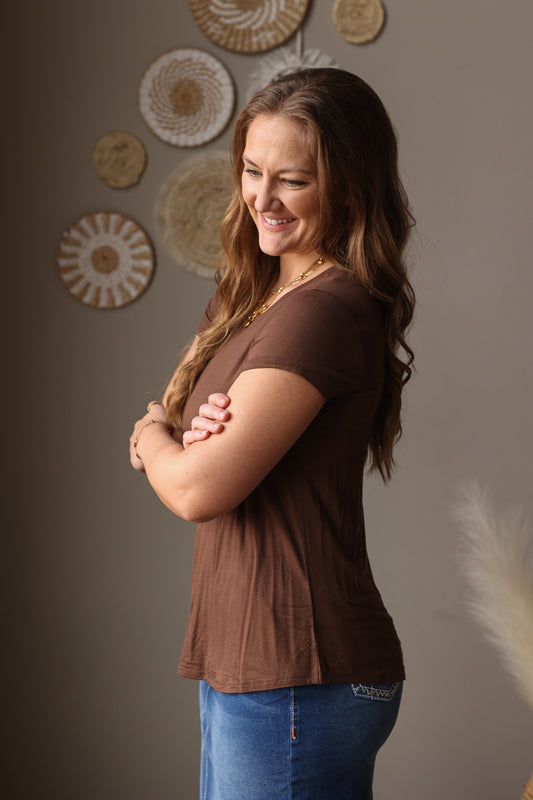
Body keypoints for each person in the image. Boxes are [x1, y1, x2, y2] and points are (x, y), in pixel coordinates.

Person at [129, 68, 415, 800]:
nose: (260, 197)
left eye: (290, 179)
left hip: (299, 674)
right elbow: (172, 415)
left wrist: (161, 445)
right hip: (257, 666)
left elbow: (194, 486)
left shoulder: (323, 308)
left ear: (348, 186)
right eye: (252, 171)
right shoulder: (249, 291)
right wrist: (177, 435)